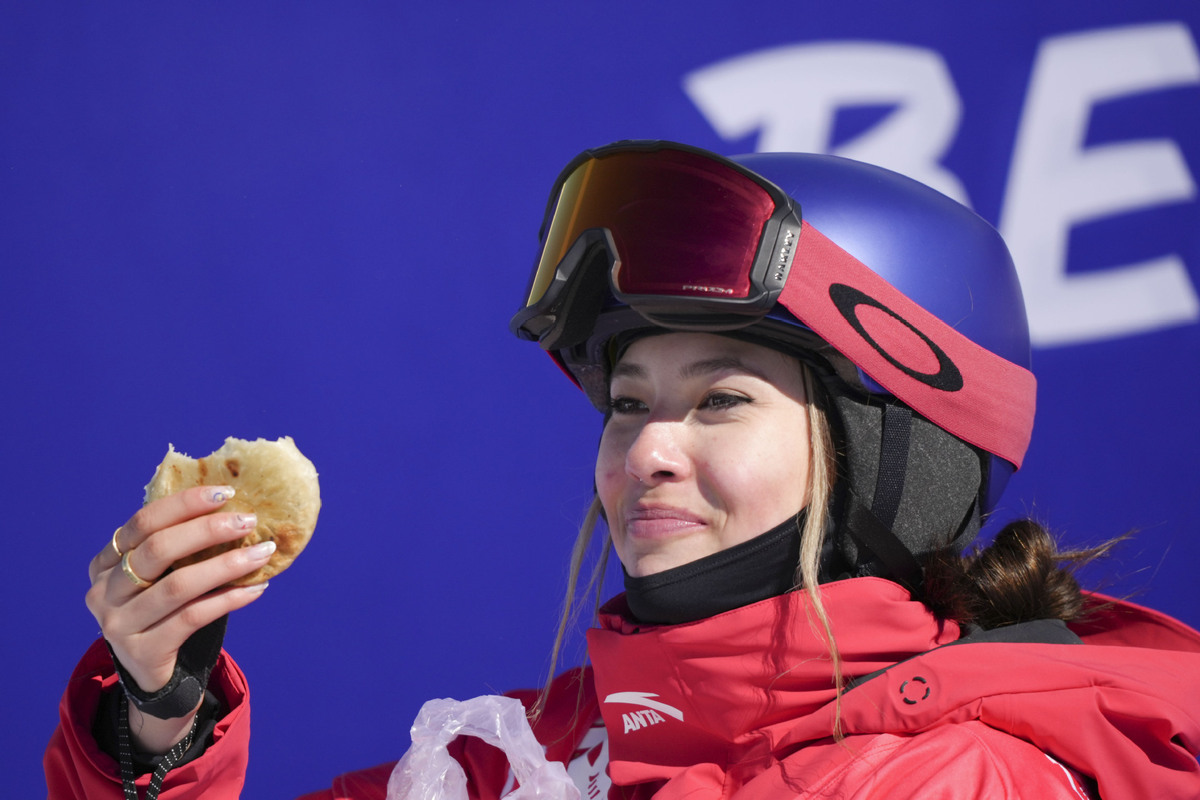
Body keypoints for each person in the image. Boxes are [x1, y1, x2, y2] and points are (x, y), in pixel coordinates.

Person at [47, 140, 1200, 799]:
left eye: (722, 399)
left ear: (899, 449)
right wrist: (159, 721)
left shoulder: (958, 780)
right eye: (628, 401)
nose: (645, 448)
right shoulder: (518, 758)